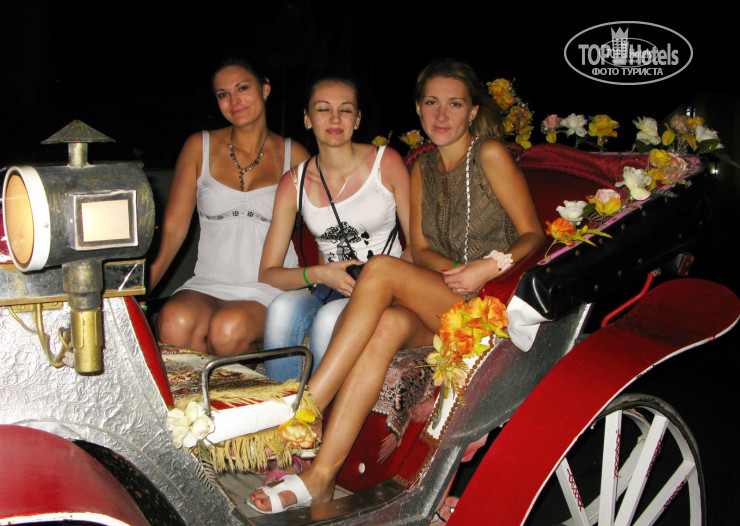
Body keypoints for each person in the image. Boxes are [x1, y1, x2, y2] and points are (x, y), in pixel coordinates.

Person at [249, 58, 544, 513]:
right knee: (385, 326)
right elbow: (421, 250)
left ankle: (309, 406)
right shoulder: (421, 168)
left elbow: (533, 235)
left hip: (492, 302)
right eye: (431, 103)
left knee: (382, 269)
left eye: (454, 104)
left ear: (471, 111)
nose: (441, 115)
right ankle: (322, 478)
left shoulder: (489, 155)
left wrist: (488, 266)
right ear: (418, 108)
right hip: (443, 299)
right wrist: (454, 269)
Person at [149, 58, 310, 356]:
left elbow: (323, 225)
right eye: (223, 94)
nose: (234, 101)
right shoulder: (198, 146)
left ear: (265, 89)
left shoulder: (295, 155)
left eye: (243, 88)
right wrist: (142, 290)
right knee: (173, 321)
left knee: (228, 329)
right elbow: (173, 229)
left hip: (267, 286)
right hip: (208, 282)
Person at [259, 77, 412, 383]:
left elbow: (418, 246)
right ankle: (284, 405)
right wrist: (320, 274)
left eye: (345, 110)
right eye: (323, 109)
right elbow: (268, 273)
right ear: (307, 118)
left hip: (386, 287)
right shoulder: (294, 182)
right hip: (329, 287)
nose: (334, 119)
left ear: (357, 119)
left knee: (330, 318)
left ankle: (317, 407)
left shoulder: (386, 162)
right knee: (281, 308)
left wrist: (377, 285)